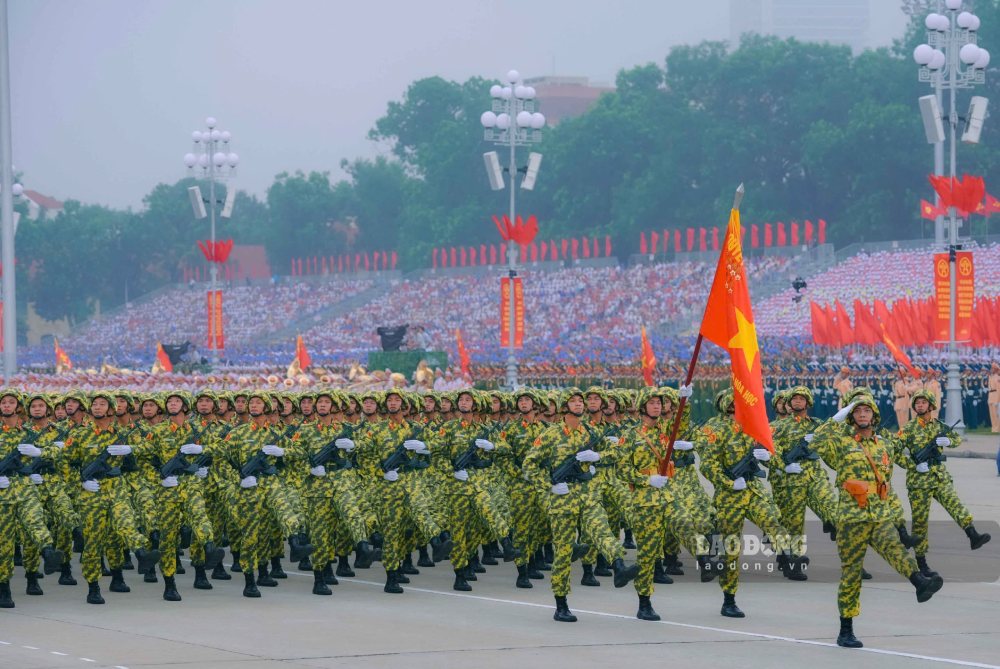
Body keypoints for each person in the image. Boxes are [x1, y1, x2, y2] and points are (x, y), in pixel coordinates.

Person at [811, 396, 943, 649]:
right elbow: (817, 442)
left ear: (874, 417)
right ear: (852, 417)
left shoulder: (883, 446)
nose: (862, 414)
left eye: (866, 411)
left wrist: (895, 515)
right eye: (857, 411)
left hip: (878, 514)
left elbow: (886, 482)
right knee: (851, 574)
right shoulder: (841, 442)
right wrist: (835, 419)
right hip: (851, 518)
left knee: (896, 549)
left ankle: (920, 583)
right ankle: (846, 630)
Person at [523, 389, 638, 623]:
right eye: (573, 401)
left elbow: (618, 451)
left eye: (580, 401)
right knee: (564, 552)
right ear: (564, 406)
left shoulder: (591, 431)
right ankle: (561, 603)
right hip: (561, 498)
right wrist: (549, 485)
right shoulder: (550, 435)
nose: (578, 404)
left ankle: (619, 566)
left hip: (586, 494)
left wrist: (598, 457)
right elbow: (529, 465)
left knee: (601, 529)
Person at [895, 390, 991, 578]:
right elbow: (894, 452)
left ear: (931, 405)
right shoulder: (907, 429)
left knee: (955, 504)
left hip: (939, 476)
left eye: (923, 402)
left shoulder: (939, 426)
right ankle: (921, 563)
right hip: (919, 482)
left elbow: (955, 438)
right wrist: (913, 465)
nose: (920, 405)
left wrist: (948, 441)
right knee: (920, 523)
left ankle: (972, 534)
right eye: (917, 403)